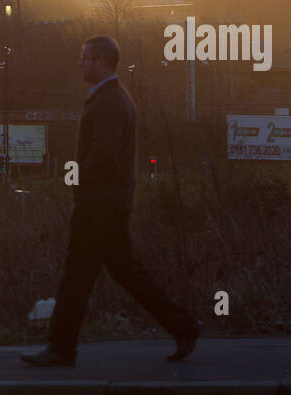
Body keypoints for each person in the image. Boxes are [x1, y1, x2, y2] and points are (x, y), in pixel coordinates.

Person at [23, 35, 200, 368]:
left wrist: (72, 176)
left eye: (85, 58)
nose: (80, 63)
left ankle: (61, 349)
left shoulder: (109, 102)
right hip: (110, 202)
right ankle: (184, 326)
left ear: (100, 61)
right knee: (125, 270)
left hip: (99, 204)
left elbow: (102, 156)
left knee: (76, 275)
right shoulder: (113, 98)